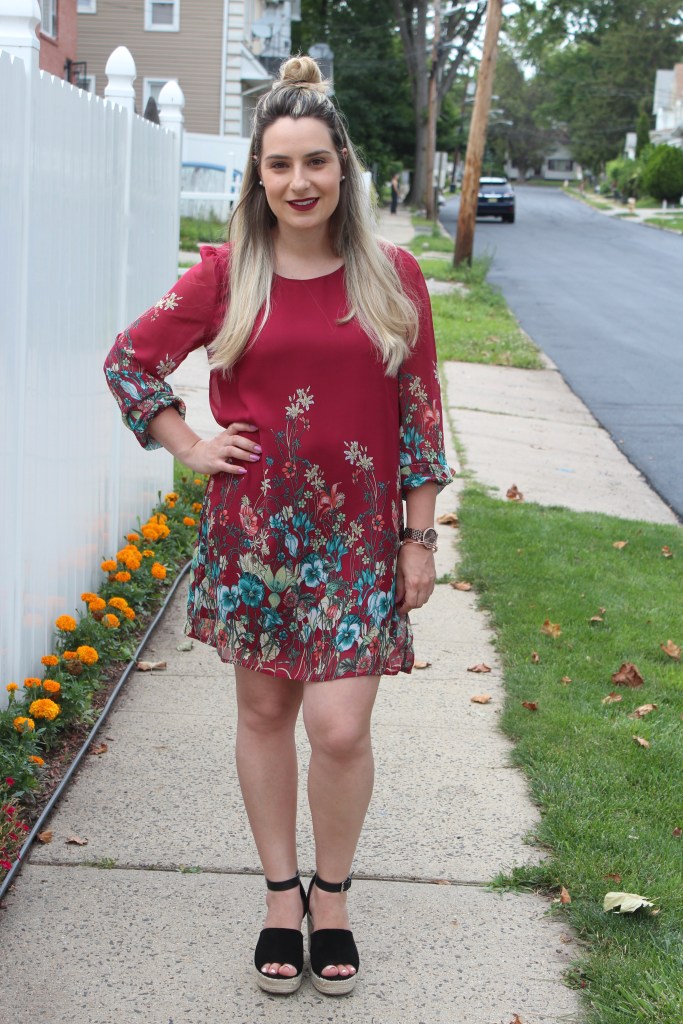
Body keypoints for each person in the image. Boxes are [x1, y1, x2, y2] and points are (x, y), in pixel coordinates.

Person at [104, 55, 452, 997]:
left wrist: (418, 536)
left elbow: (419, 411)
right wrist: (189, 443)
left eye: (315, 162)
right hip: (255, 540)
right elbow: (129, 363)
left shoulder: (394, 276)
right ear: (257, 177)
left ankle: (330, 896)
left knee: (338, 730)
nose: (299, 182)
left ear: (342, 166)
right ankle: (277, 896)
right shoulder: (227, 274)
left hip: (358, 543)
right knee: (264, 714)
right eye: (279, 165)